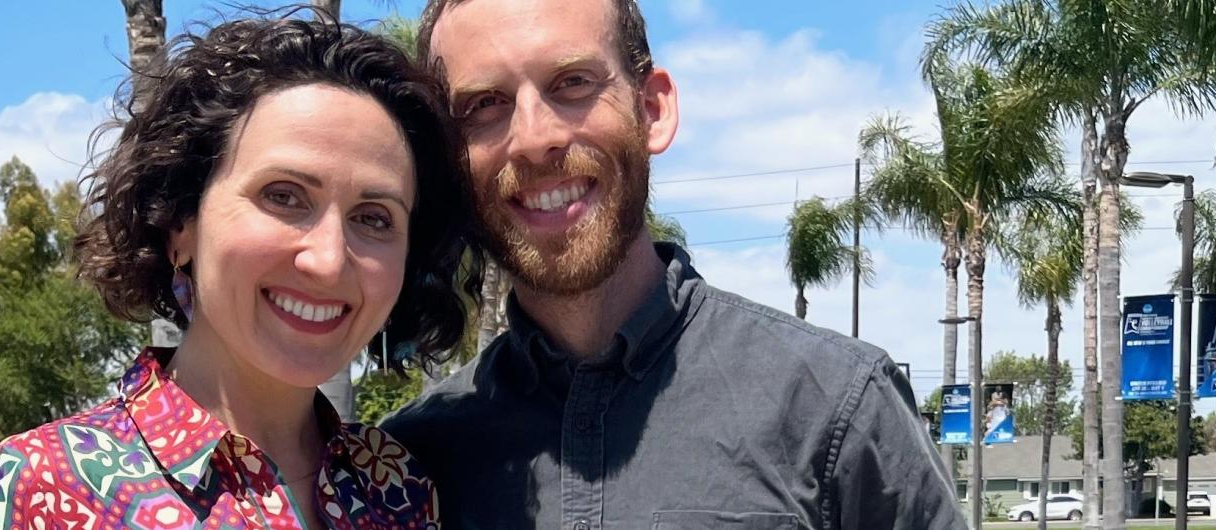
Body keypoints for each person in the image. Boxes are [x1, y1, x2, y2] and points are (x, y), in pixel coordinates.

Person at [379, 0, 965, 528]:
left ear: (652, 109)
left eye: (573, 83)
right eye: (484, 104)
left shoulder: (836, 408)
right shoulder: (410, 463)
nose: (535, 138)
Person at [0, 16, 474, 530]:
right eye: (284, 196)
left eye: (373, 218)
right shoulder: (41, 488)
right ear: (180, 223)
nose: (329, 259)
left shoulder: (397, 487)